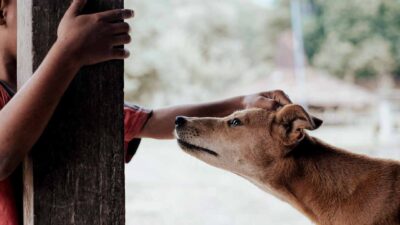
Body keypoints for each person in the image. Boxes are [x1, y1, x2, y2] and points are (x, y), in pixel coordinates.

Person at [0, 0, 291, 224]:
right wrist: (67, 51)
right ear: (3, 8)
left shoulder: (63, 94)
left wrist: (241, 104)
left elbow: (151, 121)